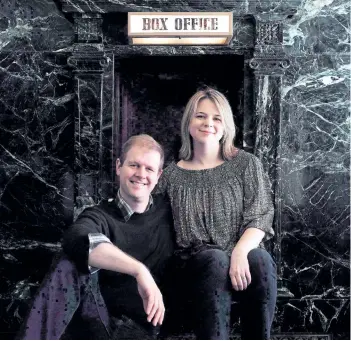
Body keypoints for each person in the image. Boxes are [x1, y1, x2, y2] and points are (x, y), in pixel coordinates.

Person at [18, 134, 175, 340]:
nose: (141, 174)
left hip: (144, 330)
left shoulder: (169, 212)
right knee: (71, 263)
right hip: (103, 325)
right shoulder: (98, 214)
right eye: (134, 165)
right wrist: (139, 271)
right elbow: (77, 239)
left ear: (159, 175)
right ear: (119, 166)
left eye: (149, 169)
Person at [155, 88, 277, 340]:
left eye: (216, 118)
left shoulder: (246, 164)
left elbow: (260, 214)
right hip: (194, 266)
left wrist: (240, 252)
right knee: (215, 260)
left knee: (261, 259)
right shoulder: (170, 176)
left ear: (225, 126)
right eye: (200, 116)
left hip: (241, 258)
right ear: (189, 122)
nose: (208, 123)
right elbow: (152, 221)